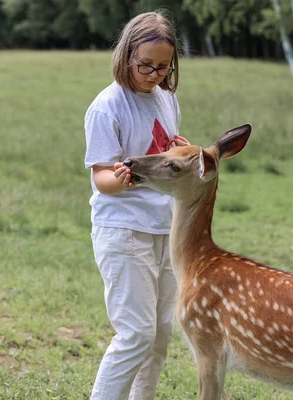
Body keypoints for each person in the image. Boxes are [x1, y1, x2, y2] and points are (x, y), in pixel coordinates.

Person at [83, 10, 190, 400]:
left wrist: (179, 150)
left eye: (164, 67)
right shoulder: (107, 107)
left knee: (160, 334)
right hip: (124, 230)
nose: (154, 74)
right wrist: (122, 179)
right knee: (136, 333)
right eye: (145, 65)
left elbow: (166, 150)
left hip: (165, 227)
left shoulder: (166, 99)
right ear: (126, 54)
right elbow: (101, 178)